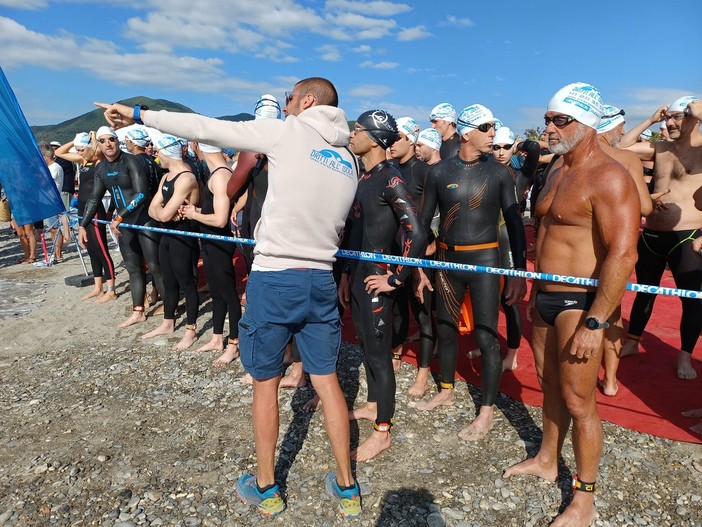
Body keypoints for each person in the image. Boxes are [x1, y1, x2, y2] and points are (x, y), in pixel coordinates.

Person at [95, 77, 362, 518]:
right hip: (320, 278)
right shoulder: (347, 157)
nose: (286, 105)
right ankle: (347, 489)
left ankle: (266, 487)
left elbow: (207, 128)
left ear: (308, 101)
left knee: (266, 383)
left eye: (290, 98)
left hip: (276, 275)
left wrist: (140, 114)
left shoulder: (288, 131)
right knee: (328, 381)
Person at [503, 82, 640, 527]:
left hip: (581, 302)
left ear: (588, 124)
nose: (548, 128)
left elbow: (623, 253)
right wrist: (532, 287)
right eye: (547, 119)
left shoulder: (609, 176)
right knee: (546, 382)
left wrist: (597, 321)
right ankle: (547, 458)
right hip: (545, 295)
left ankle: (585, 497)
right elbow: (544, 231)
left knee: (580, 400)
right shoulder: (558, 169)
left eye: (560, 120)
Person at [414, 104, 527, 443]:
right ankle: (446, 388)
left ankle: (487, 410)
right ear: (466, 133)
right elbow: (422, 225)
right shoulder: (439, 172)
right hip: (447, 263)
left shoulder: (499, 173)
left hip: (485, 263)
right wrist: (419, 267)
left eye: (494, 125)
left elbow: (516, 226)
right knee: (446, 329)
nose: (493, 132)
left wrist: (517, 272)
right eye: (486, 126)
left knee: (485, 335)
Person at [338, 109, 427, 462]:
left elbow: (416, 232)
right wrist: (345, 273)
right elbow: (356, 231)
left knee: (379, 357)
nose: (351, 134)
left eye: (357, 130)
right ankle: (374, 405)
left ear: (375, 139)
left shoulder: (391, 178)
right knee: (367, 349)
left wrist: (396, 277)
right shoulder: (366, 178)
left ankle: (382, 433)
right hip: (360, 274)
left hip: (377, 276)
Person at [618, 96, 702, 380]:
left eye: (678, 116)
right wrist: (650, 120)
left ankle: (685, 356)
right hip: (652, 234)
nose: (670, 122)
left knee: (691, 301)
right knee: (645, 291)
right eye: (669, 117)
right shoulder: (660, 148)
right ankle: (632, 341)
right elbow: (621, 147)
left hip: (687, 236)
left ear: (693, 117)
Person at [593, 105, 660, 395]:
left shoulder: (568, 158)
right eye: (622, 126)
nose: (623, 131)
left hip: (578, 247)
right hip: (614, 245)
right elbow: (644, 207)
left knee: (575, 308)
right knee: (611, 312)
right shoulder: (626, 158)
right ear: (615, 127)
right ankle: (609, 380)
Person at [77, 126, 165, 328]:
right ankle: (138, 312)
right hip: (125, 223)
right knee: (133, 268)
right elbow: (94, 198)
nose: (108, 144)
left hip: (144, 219)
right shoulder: (101, 169)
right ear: (98, 144)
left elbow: (142, 193)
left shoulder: (131, 161)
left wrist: (120, 217)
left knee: (154, 265)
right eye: (103, 141)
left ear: (118, 141)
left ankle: (170, 309)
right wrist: (83, 225)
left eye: (112, 139)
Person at [386, 117, 436, 395]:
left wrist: (430, 246)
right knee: (396, 306)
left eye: (397, 138)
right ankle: (396, 351)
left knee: (423, 311)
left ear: (410, 140)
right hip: (395, 249)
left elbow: (434, 214)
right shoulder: (390, 170)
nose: (391, 144)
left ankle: (424, 372)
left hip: (420, 252)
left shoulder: (424, 172)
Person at [140, 135, 200, 351]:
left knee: (187, 283)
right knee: (168, 280)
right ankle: (168, 323)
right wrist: (164, 210)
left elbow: (163, 214)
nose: (156, 156)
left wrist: (164, 211)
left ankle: (191, 330)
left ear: (166, 152)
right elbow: (153, 209)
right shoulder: (167, 178)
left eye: (158, 152)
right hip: (167, 234)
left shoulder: (186, 178)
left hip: (183, 235)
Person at [491, 126, 540, 371]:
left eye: (505, 147)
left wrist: (522, 144)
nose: (500, 153)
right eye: (495, 147)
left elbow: (535, 150)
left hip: (509, 237)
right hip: (487, 239)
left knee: (508, 300)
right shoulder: (485, 171)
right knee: (487, 297)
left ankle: (512, 354)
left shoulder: (521, 175)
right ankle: (488, 344)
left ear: (513, 148)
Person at [55, 132, 117, 303]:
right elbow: (59, 152)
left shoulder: (100, 163)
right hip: (82, 210)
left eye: (83, 149)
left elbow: (98, 149)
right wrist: (74, 141)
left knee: (102, 250)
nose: (80, 153)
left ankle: (111, 289)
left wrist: (94, 137)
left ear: (91, 147)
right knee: (91, 250)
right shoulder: (84, 162)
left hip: (95, 211)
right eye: (79, 150)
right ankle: (98, 287)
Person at [39, 142, 67, 264]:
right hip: (48, 201)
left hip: (54, 201)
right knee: (52, 229)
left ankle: (58, 255)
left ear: (46, 156)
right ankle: (55, 254)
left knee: (55, 228)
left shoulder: (55, 167)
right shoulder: (48, 168)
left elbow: (44, 183)